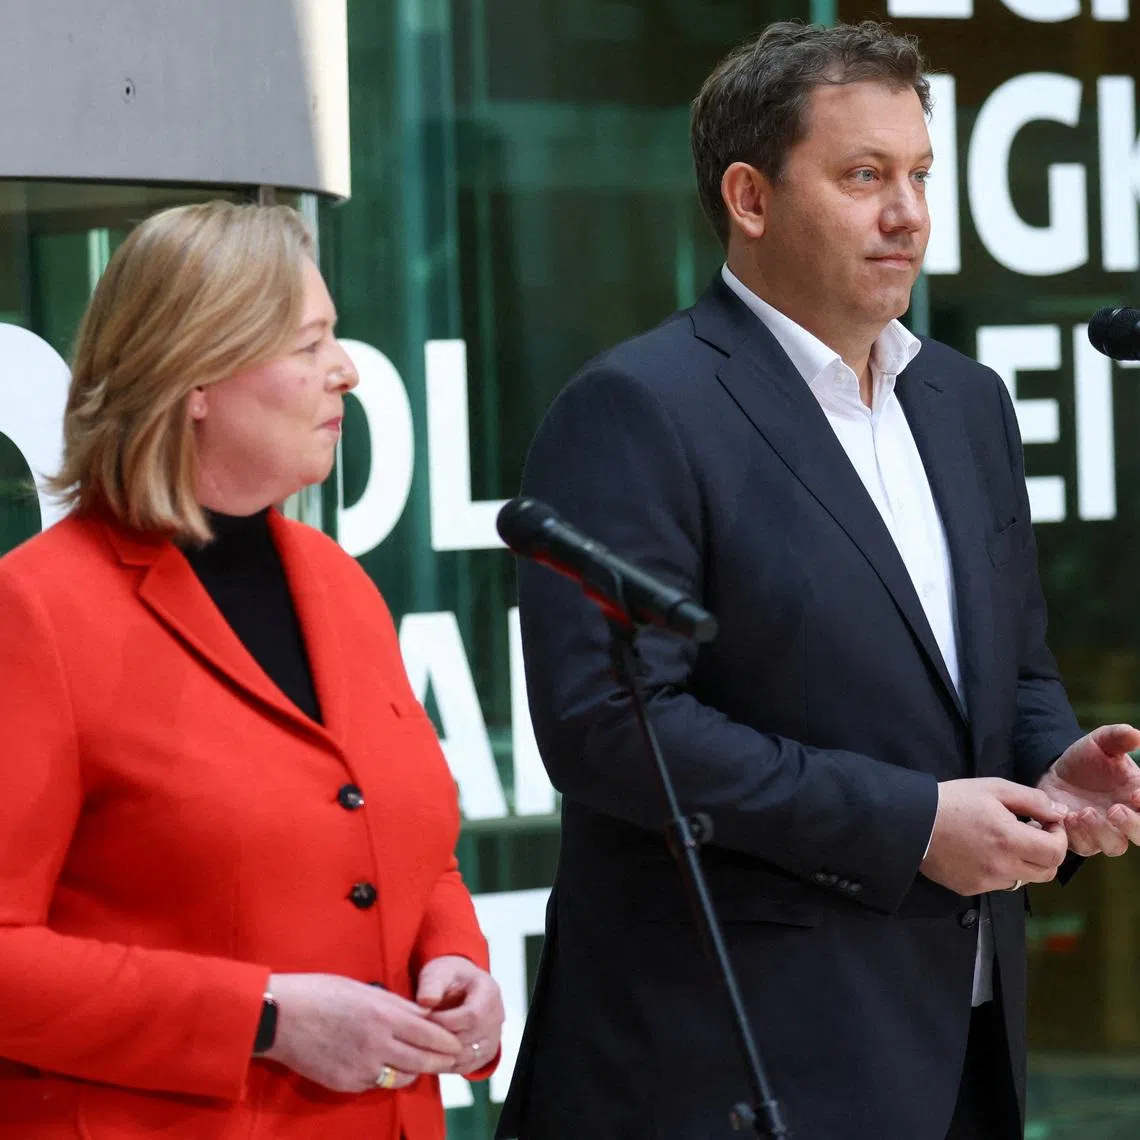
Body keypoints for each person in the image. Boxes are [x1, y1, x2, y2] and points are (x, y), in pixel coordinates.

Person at [496, 21, 1140, 1140]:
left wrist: (1054, 764)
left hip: (966, 1043)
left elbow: (1010, 666)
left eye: (920, 175)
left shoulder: (966, 404)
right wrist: (909, 824)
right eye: (864, 177)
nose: (909, 214)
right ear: (750, 198)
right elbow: (610, 727)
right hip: (734, 1065)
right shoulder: (639, 408)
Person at [0, 201, 504, 1139]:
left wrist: (455, 957)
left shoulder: (339, 585)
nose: (347, 371)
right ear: (196, 377)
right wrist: (263, 1019)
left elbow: (410, 848)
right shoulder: (37, 611)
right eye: (311, 344)